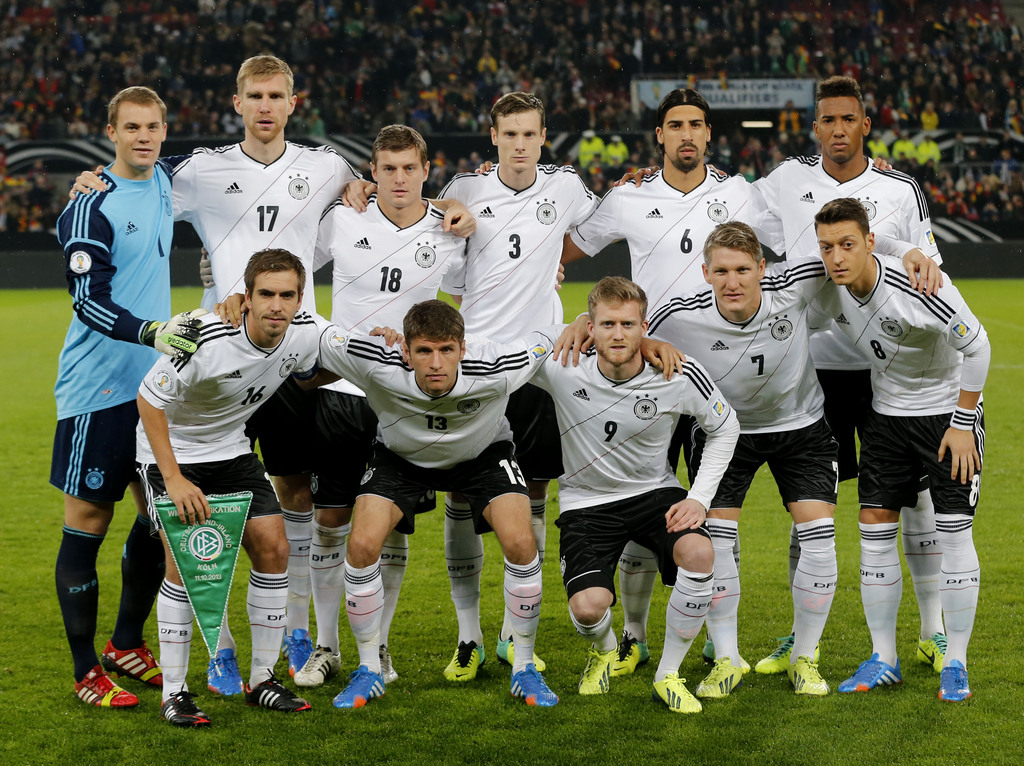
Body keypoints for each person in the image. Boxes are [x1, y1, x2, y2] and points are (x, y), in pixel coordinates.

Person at [72, 55, 476, 692]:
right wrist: (97, 181)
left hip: (296, 359)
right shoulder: (201, 170)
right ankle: (183, 641)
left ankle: (289, 635)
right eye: (254, 95)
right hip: (219, 358)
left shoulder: (326, 167)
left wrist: (453, 202)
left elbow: (395, 184)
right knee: (183, 506)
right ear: (238, 103)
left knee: (292, 500)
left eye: (276, 96)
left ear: (293, 102)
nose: (265, 106)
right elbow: (141, 185)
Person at [561, 87, 771, 675]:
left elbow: (790, 245)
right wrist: (585, 316)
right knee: (641, 503)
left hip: (713, 380)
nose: (686, 134)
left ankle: (722, 644)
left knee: (713, 516)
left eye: (696, 125)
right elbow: (566, 248)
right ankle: (633, 637)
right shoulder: (629, 195)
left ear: (709, 134)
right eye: (675, 124)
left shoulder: (738, 194)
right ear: (660, 135)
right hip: (645, 375)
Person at [752, 76, 947, 678]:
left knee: (910, 498)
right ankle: (797, 630)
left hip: (890, 370)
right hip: (812, 367)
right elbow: (713, 202)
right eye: (827, 120)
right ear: (816, 127)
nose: (838, 129)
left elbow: (929, 266)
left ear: (866, 125)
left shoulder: (899, 187)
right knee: (811, 504)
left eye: (849, 119)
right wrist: (639, 182)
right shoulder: (785, 181)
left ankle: (933, 628)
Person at [306, 300, 561, 709]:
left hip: (483, 457)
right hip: (401, 460)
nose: (436, 362)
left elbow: (551, 336)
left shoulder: (500, 365)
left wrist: (584, 320)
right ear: (405, 351)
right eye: (424, 351)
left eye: (446, 350)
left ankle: (525, 667)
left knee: (520, 541)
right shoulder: (375, 362)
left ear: (463, 347)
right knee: (361, 545)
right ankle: (369, 669)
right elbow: (314, 332)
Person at [292, 124, 467, 689]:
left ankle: (380, 645)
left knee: (391, 528)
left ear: (425, 171)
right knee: (329, 520)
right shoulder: (343, 219)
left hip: (404, 400)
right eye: (387, 169)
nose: (398, 179)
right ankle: (325, 646)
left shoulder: (449, 234)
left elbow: (472, 298)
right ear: (373, 172)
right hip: (341, 394)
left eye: (408, 168)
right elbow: (293, 265)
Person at [436, 92, 599, 680]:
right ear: (494, 136)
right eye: (510, 134)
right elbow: (441, 248)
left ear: (543, 134)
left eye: (530, 134)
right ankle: (468, 635)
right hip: (474, 362)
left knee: (532, 491)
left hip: (536, 363)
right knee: (459, 496)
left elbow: (601, 226)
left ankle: (512, 631)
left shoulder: (567, 187)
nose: (521, 144)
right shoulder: (467, 190)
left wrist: (556, 256)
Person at [52, 85, 204, 709]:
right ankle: (87, 669)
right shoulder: (90, 206)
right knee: (88, 523)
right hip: (97, 391)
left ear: (165, 131)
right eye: (131, 127)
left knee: (157, 518)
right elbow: (87, 300)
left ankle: (123, 642)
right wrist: (150, 330)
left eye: (153, 127)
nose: (143, 137)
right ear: (111, 133)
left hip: (151, 391)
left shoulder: (166, 181)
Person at [646, 222, 839, 697]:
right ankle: (728, 658)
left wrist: (912, 253)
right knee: (719, 541)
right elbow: (623, 328)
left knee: (818, 538)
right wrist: (599, 330)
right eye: (722, 271)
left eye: (742, 270)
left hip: (801, 427)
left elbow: (852, 260)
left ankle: (805, 658)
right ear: (705, 271)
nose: (732, 282)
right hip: (723, 434)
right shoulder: (678, 314)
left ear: (761, 269)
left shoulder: (794, 286)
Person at [812, 198, 988, 702]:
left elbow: (978, 346)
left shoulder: (919, 286)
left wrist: (960, 425)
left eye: (849, 244)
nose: (837, 257)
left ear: (869, 243)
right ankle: (883, 657)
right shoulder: (833, 282)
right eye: (828, 247)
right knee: (874, 532)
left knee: (952, 533)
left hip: (944, 417)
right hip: (885, 418)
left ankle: (956, 662)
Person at [137, 249, 322, 727]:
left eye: (287, 295)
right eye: (266, 294)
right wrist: (174, 479)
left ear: (301, 298)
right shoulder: (203, 334)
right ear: (246, 296)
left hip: (232, 452)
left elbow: (344, 352)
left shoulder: (305, 334)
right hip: (172, 455)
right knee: (184, 565)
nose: (276, 306)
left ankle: (261, 678)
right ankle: (174, 692)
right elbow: (149, 400)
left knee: (274, 547)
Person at [537, 277, 739, 713]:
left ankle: (668, 674)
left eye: (628, 324)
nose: (618, 334)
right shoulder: (561, 364)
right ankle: (607, 649)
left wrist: (699, 499)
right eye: (607, 323)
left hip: (654, 493)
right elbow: (499, 354)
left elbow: (726, 426)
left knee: (700, 554)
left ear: (644, 326)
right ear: (590, 327)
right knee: (590, 609)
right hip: (585, 502)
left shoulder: (678, 372)